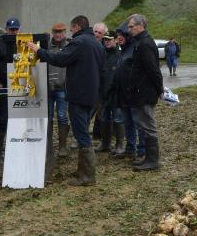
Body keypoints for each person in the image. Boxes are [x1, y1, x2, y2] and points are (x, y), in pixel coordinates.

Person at [27, 15, 104, 186]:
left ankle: (88, 176)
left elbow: (60, 59)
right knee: (83, 130)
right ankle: (82, 170)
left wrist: (38, 51)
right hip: (92, 96)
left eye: (71, 28)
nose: (70, 32)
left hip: (78, 95)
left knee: (81, 133)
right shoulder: (97, 44)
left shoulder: (79, 42)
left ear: (77, 26)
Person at [121, 14, 164, 171]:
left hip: (145, 93)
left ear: (141, 26)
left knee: (148, 125)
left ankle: (153, 160)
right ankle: (148, 157)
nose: (129, 29)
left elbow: (153, 69)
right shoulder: (140, 42)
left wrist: (159, 89)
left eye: (131, 26)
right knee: (143, 125)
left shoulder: (145, 44)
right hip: (140, 92)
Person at [0, 17, 21, 165]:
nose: (13, 32)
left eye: (15, 29)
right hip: (3, 87)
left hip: (18, 85)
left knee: (17, 119)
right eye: (11, 29)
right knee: (3, 119)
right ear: (6, 29)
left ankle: (15, 148)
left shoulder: (22, 42)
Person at [112, 25, 143, 160]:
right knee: (128, 123)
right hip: (123, 95)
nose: (119, 38)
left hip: (134, 95)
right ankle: (131, 148)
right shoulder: (123, 51)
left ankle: (143, 150)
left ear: (128, 36)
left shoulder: (134, 49)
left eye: (122, 35)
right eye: (118, 36)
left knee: (138, 123)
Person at [96, 30, 124, 153]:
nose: (107, 42)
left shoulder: (120, 55)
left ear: (116, 40)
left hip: (117, 94)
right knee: (103, 119)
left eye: (109, 40)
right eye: (105, 40)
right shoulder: (101, 54)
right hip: (102, 94)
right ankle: (105, 143)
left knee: (118, 119)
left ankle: (119, 145)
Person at [47, 22, 71, 157]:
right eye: (56, 32)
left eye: (61, 32)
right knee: (48, 117)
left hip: (62, 88)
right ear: (52, 33)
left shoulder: (69, 47)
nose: (58, 34)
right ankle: (49, 146)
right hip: (48, 88)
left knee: (62, 117)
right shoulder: (46, 46)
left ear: (65, 33)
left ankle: (63, 146)